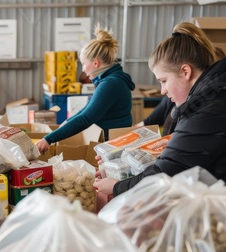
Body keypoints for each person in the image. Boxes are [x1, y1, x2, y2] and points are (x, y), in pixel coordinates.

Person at [94, 21, 226, 198]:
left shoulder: (207, 109)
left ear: (185, 72)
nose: (163, 90)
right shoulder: (210, 97)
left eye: (163, 81)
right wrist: (122, 159)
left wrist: (117, 186)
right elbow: (182, 153)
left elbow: (166, 172)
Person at [36, 24, 135, 154]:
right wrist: (66, 122)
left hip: (113, 147)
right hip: (111, 143)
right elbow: (85, 110)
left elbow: (85, 119)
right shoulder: (109, 81)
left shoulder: (110, 84)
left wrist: (49, 139)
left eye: (83, 64)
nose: (82, 69)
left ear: (95, 62)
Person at [134, 46, 225, 136]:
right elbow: (154, 119)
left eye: (164, 81)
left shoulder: (204, 112)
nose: (163, 91)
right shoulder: (174, 98)